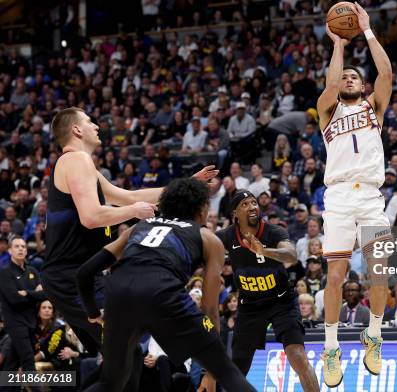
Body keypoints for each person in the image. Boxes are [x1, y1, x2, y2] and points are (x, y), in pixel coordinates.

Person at [42, 107, 216, 359]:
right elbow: (91, 217)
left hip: (73, 276)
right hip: (70, 276)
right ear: (77, 130)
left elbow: (128, 196)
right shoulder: (76, 160)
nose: (97, 126)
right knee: (128, 354)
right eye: (90, 122)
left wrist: (187, 184)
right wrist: (135, 211)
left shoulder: (80, 165)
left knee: (118, 358)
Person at [75, 178, 255, 392]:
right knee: (226, 370)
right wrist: (210, 364)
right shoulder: (207, 237)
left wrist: (93, 312)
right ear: (201, 208)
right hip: (162, 293)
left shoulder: (138, 228)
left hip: (119, 292)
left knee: (110, 381)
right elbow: (209, 308)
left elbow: (84, 273)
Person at [317, 2, 393, 387]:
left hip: (371, 199)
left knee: (379, 270)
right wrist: (339, 45)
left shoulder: (375, 106)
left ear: (362, 87)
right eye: (344, 76)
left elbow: (386, 72)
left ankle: (374, 336)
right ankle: (332, 347)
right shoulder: (326, 111)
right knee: (335, 276)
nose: (347, 79)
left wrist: (366, 30)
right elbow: (330, 85)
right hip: (340, 200)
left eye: (353, 78)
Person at [215, 190, 319, 391]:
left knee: (297, 356)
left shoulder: (274, 231)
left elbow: (291, 255)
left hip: (282, 302)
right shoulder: (227, 236)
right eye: (245, 204)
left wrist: (264, 251)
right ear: (235, 213)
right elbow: (201, 241)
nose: (252, 206)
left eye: (254, 202)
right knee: (237, 367)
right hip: (250, 306)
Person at [0, 236, 46, 390]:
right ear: (10, 250)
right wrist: (34, 293)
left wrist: (26, 293)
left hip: (31, 323)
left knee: (11, 364)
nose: (21, 249)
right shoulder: (5, 273)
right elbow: (14, 299)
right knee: (28, 362)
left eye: (23, 246)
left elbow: (45, 295)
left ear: (27, 250)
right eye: (17, 246)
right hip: (15, 323)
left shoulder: (32, 271)